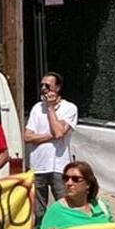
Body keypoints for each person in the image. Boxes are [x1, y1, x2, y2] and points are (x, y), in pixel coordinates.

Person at [23, 72, 82, 214]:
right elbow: (27, 137)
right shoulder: (37, 108)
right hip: (38, 167)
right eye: (42, 85)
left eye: (48, 86)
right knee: (38, 211)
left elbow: (60, 133)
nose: (43, 88)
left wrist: (50, 108)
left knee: (65, 206)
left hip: (59, 166)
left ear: (58, 88)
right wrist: (52, 135)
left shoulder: (69, 108)